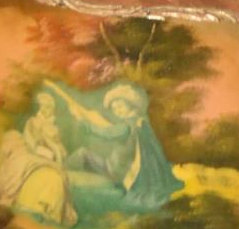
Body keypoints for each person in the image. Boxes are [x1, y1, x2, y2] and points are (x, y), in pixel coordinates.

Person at [46, 79, 180, 211]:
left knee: (83, 153)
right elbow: (110, 128)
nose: (117, 111)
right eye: (114, 108)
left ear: (131, 105)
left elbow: (108, 132)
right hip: (124, 169)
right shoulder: (140, 122)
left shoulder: (128, 126)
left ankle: (55, 171)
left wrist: (83, 123)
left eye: (120, 106)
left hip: (116, 171)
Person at [0, 91, 78, 226]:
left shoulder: (54, 127)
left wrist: (57, 151)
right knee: (23, 165)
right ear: (40, 108)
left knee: (57, 176)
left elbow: (59, 144)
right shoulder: (33, 122)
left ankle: (48, 209)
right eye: (43, 107)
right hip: (35, 152)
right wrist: (41, 151)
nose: (46, 110)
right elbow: (30, 141)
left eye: (49, 107)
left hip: (51, 156)